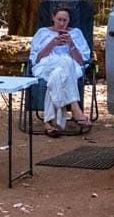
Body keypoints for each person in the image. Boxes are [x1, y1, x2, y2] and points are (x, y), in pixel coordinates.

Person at [30, 7, 93, 135]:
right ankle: (75, 107)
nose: (62, 23)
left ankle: (49, 122)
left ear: (69, 20)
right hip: (46, 65)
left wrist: (71, 45)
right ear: (53, 18)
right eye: (59, 19)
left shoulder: (76, 33)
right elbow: (36, 59)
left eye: (65, 20)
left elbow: (82, 61)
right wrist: (51, 44)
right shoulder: (42, 32)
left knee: (58, 74)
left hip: (71, 67)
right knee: (66, 62)